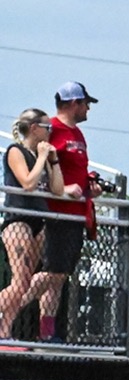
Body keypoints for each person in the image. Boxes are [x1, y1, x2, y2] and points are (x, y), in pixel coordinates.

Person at [28, 82, 99, 344]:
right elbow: (38, 162)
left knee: (60, 277)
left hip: (76, 214)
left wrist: (90, 186)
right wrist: (61, 187)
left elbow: (78, 170)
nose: (88, 108)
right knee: (53, 272)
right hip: (57, 213)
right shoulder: (52, 129)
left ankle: (47, 331)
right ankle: (9, 306)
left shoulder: (78, 135)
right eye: (85, 103)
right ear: (73, 103)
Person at [0, 109, 59, 339]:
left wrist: (52, 161)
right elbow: (27, 182)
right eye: (47, 128)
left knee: (26, 285)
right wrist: (42, 158)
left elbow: (56, 189)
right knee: (20, 281)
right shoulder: (16, 151)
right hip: (19, 220)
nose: (50, 132)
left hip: (39, 220)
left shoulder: (42, 156)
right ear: (34, 128)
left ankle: (4, 332)